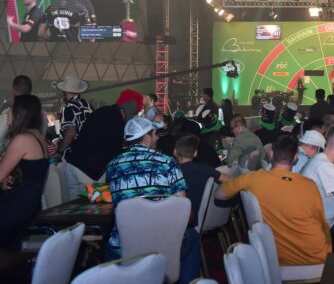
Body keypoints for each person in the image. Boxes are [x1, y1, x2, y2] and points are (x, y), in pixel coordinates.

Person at [106, 117, 199, 284]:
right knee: (193, 237)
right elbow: (184, 211)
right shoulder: (167, 162)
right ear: (147, 138)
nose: (157, 138)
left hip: (125, 249)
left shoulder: (112, 166)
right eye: (155, 134)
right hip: (164, 246)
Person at [216, 134, 331, 265]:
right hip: (315, 258)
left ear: (271, 154)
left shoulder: (250, 179)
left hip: (274, 260)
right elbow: (323, 225)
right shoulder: (309, 185)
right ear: (295, 158)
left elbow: (219, 194)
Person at [64, 89, 144, 198]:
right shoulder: (117, 120)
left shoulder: (104, 111)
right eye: (134, 113)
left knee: (72, 206)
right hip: (88, 172)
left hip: (72, 164)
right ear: (130, 109)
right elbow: (115, 152)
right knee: (91, 207)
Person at [0, 95, 49, 249]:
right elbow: (30, 173)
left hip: (16, 208)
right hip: (29, 204)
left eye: (11, 110)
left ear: (20, 113)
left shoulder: (22, 140)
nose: (7, 114)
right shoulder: (37, 136)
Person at [173, 134, 228, 227]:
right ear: (195, 153)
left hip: (186, 222)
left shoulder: (173, 174)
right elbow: (229, 180)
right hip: (210, 216)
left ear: (174, 152)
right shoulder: (204, 168)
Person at [0, 75, 44, 154]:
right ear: (30, 90)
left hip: (12, 154)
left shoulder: (9, 111)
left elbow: (0, 136)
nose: (8, 115)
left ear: (13, 89)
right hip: (35, 152)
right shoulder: (41, 112)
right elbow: (43, 134)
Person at [53, 75, 93, 158]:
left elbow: (70, 132)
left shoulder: (68, 107)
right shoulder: (87, 104)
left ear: (64, 91)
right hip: (89, 151)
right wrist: (58, 119)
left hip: (74, 153)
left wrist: (60, 151)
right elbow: (58, 131)